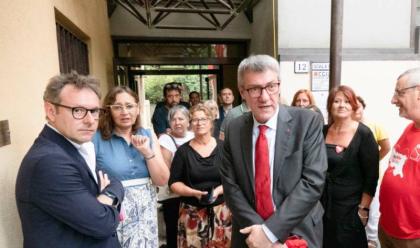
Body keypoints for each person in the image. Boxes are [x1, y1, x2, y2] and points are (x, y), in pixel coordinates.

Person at [219, 54, 327, 248]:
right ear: (242, 92)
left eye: (271, 86)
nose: (265, 97)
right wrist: (260, 234)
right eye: (254, 89)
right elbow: (230, 185)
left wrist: (270, 233)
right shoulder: (234, 128)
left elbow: (313, 181)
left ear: (278, 86)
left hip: (297, 231)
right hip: (249, 233)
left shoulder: (307, 122)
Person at [15, 71, 124, 248]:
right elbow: (102, 223)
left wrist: (107, 195)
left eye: (95, 111)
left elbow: (115, 182)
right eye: (78, 110)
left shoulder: (74, 146)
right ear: (51, 111)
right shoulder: (49, 162)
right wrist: (108, 198)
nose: (90, 120)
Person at [93, 86, 169, 248]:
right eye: (118, 107)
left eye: (129, 106)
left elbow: (162, 180)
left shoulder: (148, 134)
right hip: (114, 210)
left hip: (145, 213)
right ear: (109, 110)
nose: (124, 112)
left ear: (138, 109)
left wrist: (147, 152)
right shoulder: (96, 138)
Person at [323, 85, 379, 248]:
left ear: (354, 105)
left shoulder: (364, 134)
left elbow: (371, 177)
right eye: (337, 101)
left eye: (347, 101)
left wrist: (363, 210)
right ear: (330, 106)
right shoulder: (323, 131)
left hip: (350, 209)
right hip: (323, 208)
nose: (342, 105)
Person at [169, 104, 232, 247]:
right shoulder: (183, 152)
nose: (199, 123)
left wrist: (216, 191)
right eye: (195, 120)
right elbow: (173, 183)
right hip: (192, 213)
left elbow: (234, 178)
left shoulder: (224, 147)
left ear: (211, 122)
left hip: (221, 211)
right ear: (190, 124)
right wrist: (193, 193)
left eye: (203, 119)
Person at [379, 68, 420, 247]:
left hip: (413, 237)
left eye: (399, 93)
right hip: (390, 229)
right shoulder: (410, 128)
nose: (393, 100)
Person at [353, 95, 391, 248]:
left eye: (358, 107)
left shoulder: (374, 126)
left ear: (363, 108)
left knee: (372, 209)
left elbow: (386, 147)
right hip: (354, 178)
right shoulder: (347, 127)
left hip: (371, 177)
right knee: (357, 208)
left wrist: (373, 162)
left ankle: (372, 240)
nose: (356, 110)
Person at [158, 105, 194, 248]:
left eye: (181, 118)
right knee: (173, 231)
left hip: (192, 193)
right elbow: (166, 170)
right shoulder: (165, 140)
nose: (177, 122)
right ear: (169, 122)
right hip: (173, 195)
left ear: (188, 120)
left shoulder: (193, 136)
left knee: (190, 230)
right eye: (174, 119)